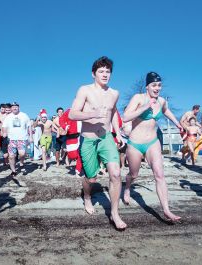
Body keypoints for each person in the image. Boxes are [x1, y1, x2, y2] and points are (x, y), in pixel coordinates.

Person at [69, 56, 126, 230]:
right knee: (91, 178)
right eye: (101, 71)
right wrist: (92, 115)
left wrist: (118, 133)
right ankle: (87, 197)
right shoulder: (84, 90)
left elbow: (114, 112)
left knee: (116, 174)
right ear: (93, 74)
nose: (105, 74)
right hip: (88, 139)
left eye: (108, 71)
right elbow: (72, 114)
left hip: (106, 137)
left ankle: (115, 214)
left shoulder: (114, 93)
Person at [123, 71, 182, 222]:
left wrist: (178, 123)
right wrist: (144, 108)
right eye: (154, 85)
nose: (157, 88)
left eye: (159, 85)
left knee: (160, 175)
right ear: (147, 86)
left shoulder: (161, 101)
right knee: (134, 174)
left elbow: (166, 110)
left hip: (152, 142)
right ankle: (128, 186)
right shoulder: (138, 98)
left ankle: (166, 210)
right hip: (135, 143)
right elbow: (126, 117)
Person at [2, 102, 32, 176]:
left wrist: (30, 136)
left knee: (22, 153)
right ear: (11, 108)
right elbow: (4, 126)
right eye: (13, 107)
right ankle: (13, 170)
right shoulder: (8, 117)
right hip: (11, 139)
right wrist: (4, 132)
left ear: (19, 107)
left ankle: (21, 164)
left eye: (16, 107)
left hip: (22, 138)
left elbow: (29, 126)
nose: (15, 108)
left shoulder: (24, 115)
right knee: (11, 156)